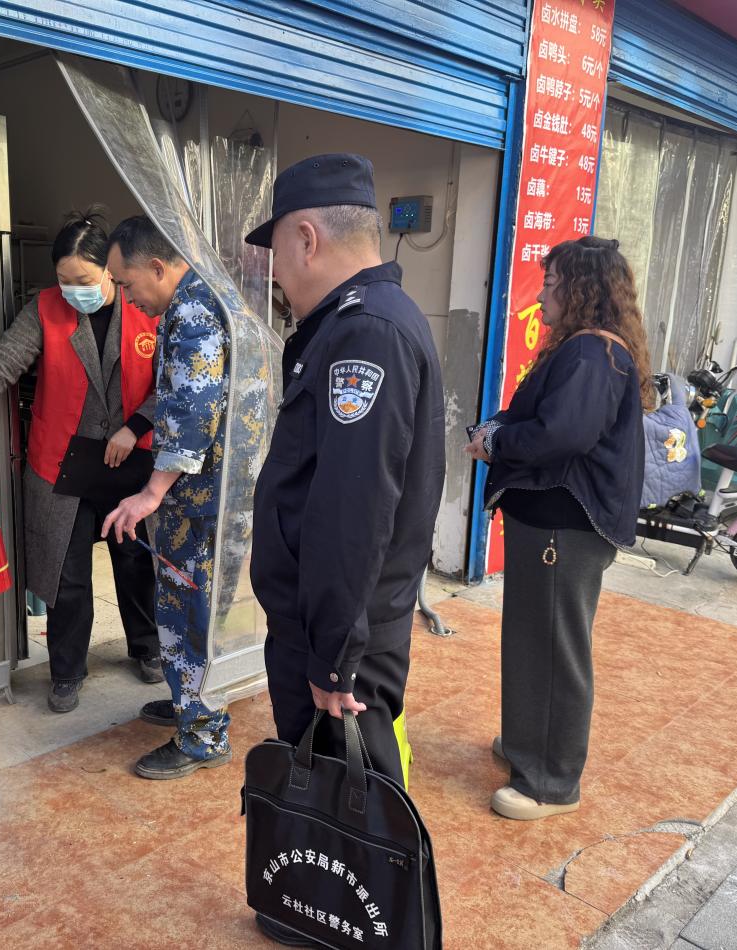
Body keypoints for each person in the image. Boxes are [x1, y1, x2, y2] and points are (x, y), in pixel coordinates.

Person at [247, 153, 445, 800]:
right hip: (338, 630)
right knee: (336, 805)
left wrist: (333, 658)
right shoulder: (362, 321)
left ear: (306, 239)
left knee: (351, 810)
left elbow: (352, 511)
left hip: (338, 640)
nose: (275, 272)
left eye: (276, 251)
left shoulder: (366, 334)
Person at [466, 235, 650, 821]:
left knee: (552, 648)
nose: (540, 295)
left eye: (549, 284)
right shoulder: (583, 349)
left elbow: (562, 434)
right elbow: (546, 419)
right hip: (548, 523)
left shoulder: (593, 353)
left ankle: (550, 781)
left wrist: (497, 442)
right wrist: (497, 429)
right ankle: (529, 743)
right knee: (532, 640)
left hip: (563, 526)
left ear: (581, 289)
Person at [0, 209, 161, 715]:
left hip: (131, 457)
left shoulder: (146, 307)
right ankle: (66, 670)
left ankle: (148, 647)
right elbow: (5, 359)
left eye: (84, 280)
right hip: (63, 461)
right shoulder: (45, 309)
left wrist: (135, 426)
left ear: (110, 271)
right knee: (67, 571)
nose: (73, 291)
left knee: (136, 560)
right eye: (65, 280)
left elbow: (175, 384)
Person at [101, 215, 233, 781]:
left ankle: (202, 733)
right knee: (197, 607)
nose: (125, 297)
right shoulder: (208, 296)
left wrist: (151, 493)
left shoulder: (193, 313)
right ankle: (189, 704)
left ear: (157, 267)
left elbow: (194, 410)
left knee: (189, 611)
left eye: (126, 283)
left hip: (199, 498)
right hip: (215, 491)